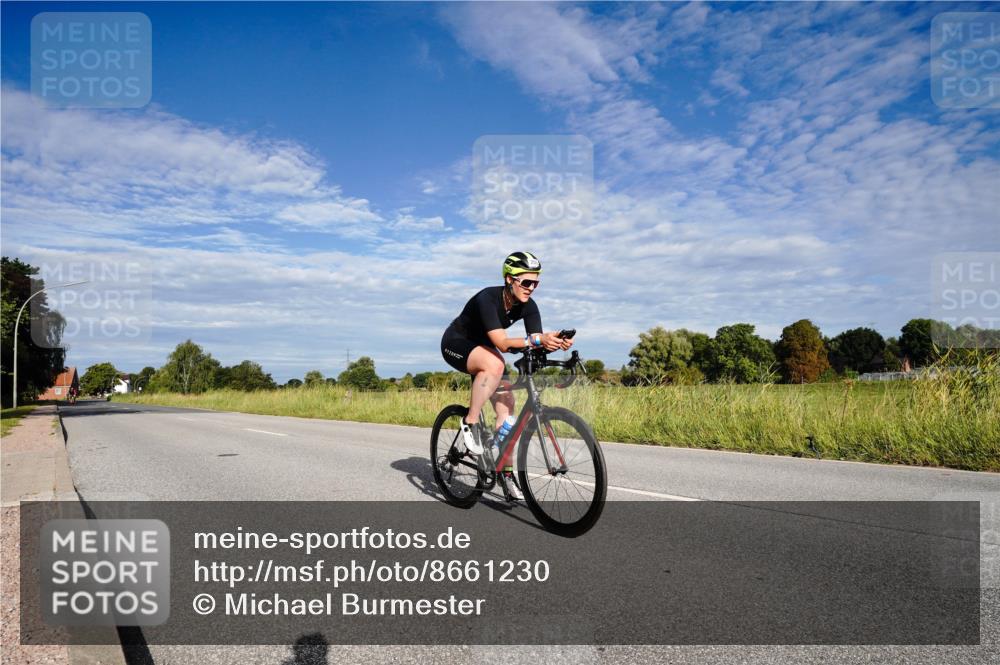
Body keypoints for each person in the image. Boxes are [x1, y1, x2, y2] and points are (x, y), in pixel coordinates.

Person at [440, 251, 574, 497]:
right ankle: (470, 422)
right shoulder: (487, 298)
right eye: (526, 282)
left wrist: (554, 342)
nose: (531, 288)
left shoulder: (529, 306)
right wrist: (537, 340)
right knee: (496, 363)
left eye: (535, 283)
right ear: (509, 279)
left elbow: (535, 342)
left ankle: (506, 473)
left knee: (507, 411)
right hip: (457, 342)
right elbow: (502, 343)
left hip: (485, 349)